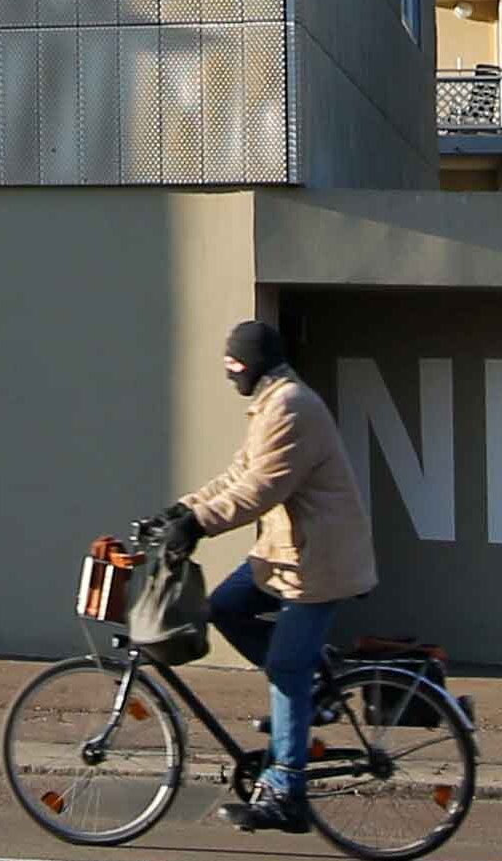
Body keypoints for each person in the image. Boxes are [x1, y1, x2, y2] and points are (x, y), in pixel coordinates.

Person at [156, 316, 374, 831]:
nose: (230, 375)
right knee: (225, 607)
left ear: (250, 365)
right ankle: (320, 683)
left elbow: (263, 489)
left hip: (318, 563)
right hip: (286, 554)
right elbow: (240, 473)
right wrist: (180, 511)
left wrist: (199, 526)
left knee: (285, 668)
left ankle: (286, 795)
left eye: (234, 365)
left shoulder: (292, 408)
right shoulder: (272, 403)